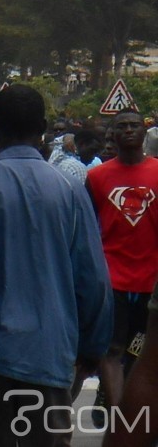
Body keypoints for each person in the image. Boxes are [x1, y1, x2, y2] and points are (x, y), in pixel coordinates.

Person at [0, 85, 113, 447]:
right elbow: (93, 279)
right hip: (53, 354)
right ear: (43, 127)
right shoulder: (70, 188)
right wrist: (92, 347)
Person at [84, 109, 158, 413]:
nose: (128, 130)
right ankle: (121, 417)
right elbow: (87, 228)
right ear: (112, 134)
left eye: (134, 125)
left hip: (151, 282)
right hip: (111, 279)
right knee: (112, 350)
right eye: (121, 126)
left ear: (144, 132)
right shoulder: (97, 177)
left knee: (142, 351)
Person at [103, 279, 158, 447]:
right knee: (129, 354)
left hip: (127, 285)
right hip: (128, 285)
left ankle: (118, 414)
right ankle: (118, 413)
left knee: (120, 354)